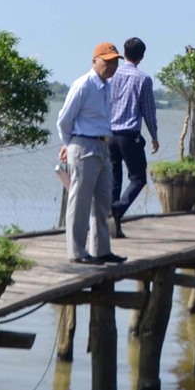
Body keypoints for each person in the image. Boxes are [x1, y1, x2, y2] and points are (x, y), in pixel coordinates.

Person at [57, 42, 125, 265]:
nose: (112, 66)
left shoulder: (106, 86)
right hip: (84, 145)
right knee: (80, 201)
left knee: (103, 200)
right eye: (107, 61)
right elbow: (64, 119)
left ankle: (101, 250)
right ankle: (77, 251)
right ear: (95, 61)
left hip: (103, 146)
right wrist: (68, 143)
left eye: (115, 62)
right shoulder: (83, 85)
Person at [106, 37, 158, 238]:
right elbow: (148, 111)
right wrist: (154, 135)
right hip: (129, 134)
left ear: (124, 53)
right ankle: (117, 209)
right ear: (142, 57)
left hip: (108, 133)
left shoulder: (111, 74)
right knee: (138, 178)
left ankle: (112, 227)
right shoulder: (143, 79)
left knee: (114, 180)